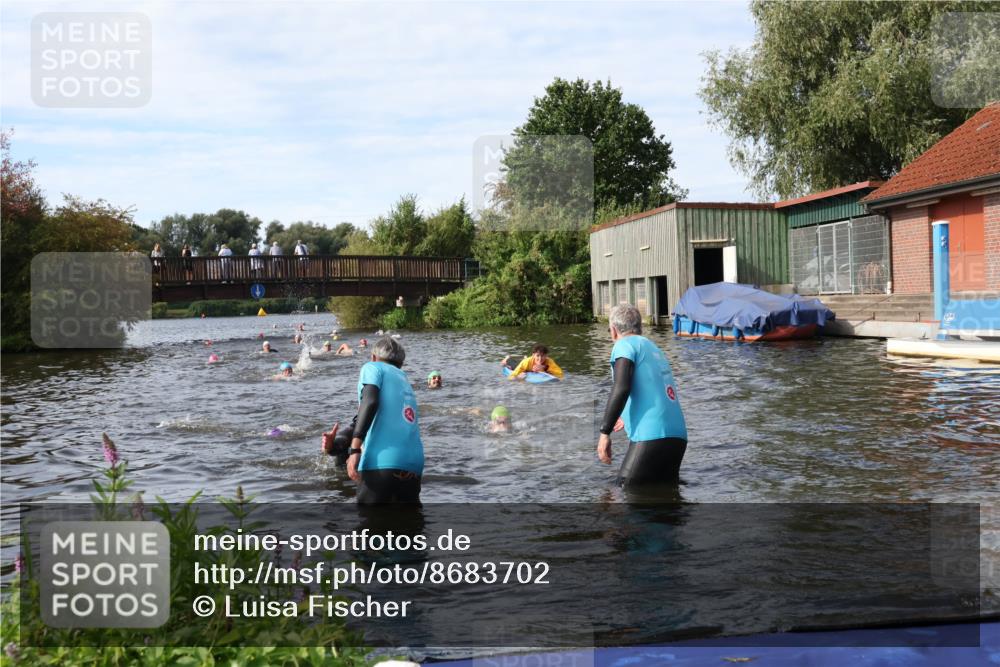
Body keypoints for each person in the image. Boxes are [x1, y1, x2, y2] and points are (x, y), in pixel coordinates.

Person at [596, 303, 688, 487]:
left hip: (651, 436)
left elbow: (621, 387)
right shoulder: (654, 348)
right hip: (677, 437)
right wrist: (625, 415)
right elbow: (651, 387)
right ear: (640, 327)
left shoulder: (623, 345)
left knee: (623, 491)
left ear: (614, 331)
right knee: (666, 504)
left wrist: (604, 433)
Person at [345, 337, 424, 503]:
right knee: (410, 526)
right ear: (400, 363)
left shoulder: (372, 367)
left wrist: (354, 450)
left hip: (381, 461)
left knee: (370, 525)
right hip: (414, 464)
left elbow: (370, 402)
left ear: (373, 357)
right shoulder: (404, 379)